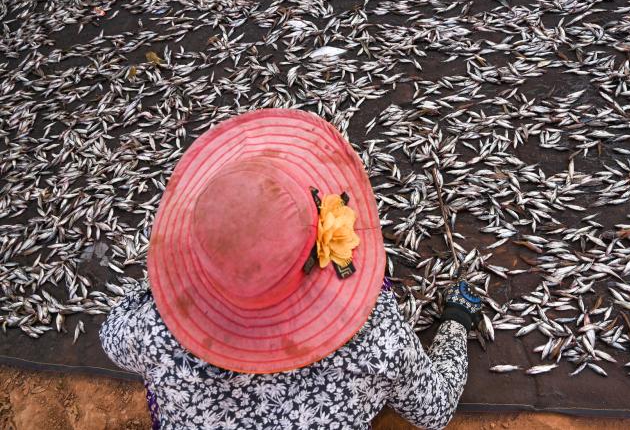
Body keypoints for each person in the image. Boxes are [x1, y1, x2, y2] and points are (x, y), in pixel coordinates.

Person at [100, 109, 483, 430]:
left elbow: (112, 339)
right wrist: (454, 322)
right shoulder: (376, 335)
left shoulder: (154, 330)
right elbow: (434, 408)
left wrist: (167, 287)